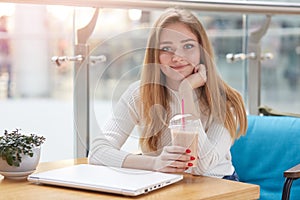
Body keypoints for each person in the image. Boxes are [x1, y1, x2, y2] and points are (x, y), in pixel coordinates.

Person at [88, 7, 247, 181]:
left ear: (202, 51)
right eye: (166, 48)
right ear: (155, 55)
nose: (177, 56)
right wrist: (155, 163)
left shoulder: (225, 100)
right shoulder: (140, 93)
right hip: (167, 185)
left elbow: (201, 165)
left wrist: (185, 91)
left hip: (218, 186)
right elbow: (97, 152)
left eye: (188, 46)